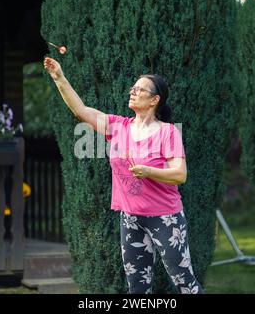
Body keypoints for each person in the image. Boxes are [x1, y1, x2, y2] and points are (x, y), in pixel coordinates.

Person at [44, 57, 204, 294]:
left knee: (183, 281)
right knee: (137, 288)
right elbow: (81, 110)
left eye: (139, 89)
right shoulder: (119, 127)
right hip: (130, 218)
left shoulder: (168, 132)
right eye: (133, 88)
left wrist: (148, 171)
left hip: (165, 218)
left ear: (154, 100)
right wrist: (59, 77)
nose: (133, 91)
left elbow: (180, 175)